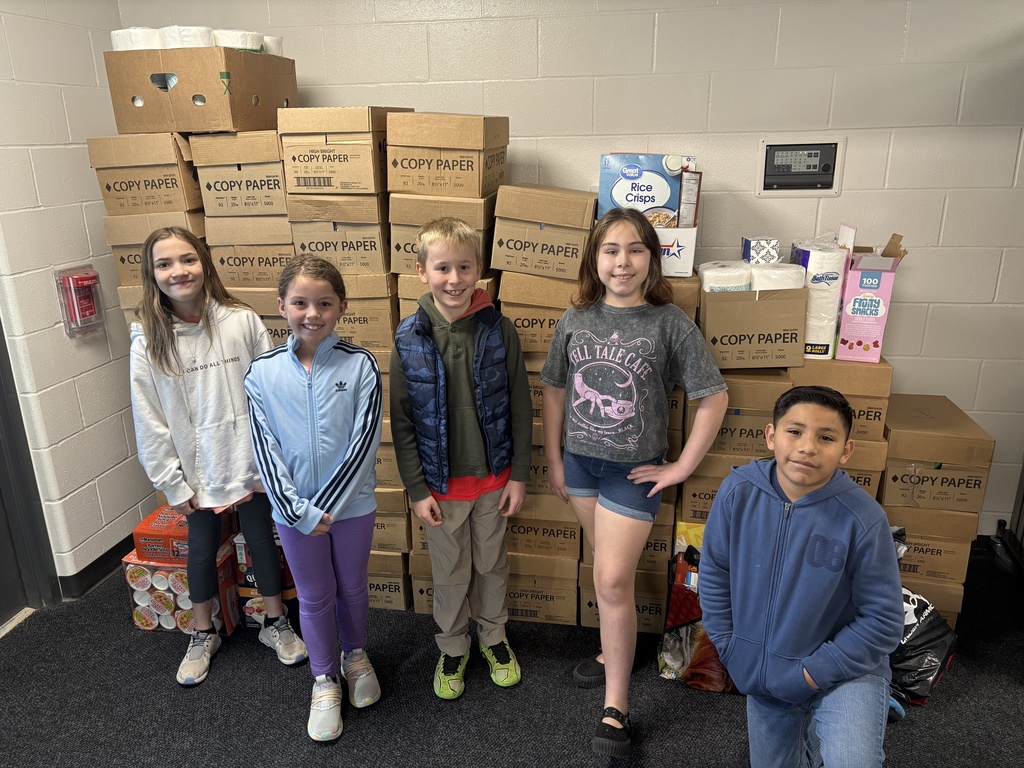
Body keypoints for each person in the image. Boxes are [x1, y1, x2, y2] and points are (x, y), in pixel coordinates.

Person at [541, 207, 729, 758]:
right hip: (581, 465)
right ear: (594, 260)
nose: (622, 262)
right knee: (607, 574)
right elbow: (554, 389)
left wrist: (681, 467)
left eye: (635, 249)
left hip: (633, 472)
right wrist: (554, 458)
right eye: (610, 250)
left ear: (652, 257)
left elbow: (712, 395)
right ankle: (611, 649)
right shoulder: (575, 318)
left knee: (612, 580)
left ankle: (616, 707)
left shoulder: (671, 323)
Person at [129, 227, 307, 686]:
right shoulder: (148, 339)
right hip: (197, 470)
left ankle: (276, 623)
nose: (178, 271)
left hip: (251, 461)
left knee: (262, 539)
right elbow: (149, 418)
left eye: (187, 259)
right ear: (152, 275)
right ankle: (202, 632)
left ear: (204, 262)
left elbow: (270, 390)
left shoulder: (239, 320)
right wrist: (172, 481)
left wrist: (275, 459)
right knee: (202, 548)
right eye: (164, 264)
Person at [699, 385, 905, 768]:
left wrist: (811, 674)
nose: (808, 446)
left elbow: (884, 621)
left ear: (846, 450)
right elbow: (714, 575)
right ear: (771, 435)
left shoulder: (863, 517)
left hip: (847, 670)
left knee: (853, 762)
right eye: (795, 431)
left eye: (826, 437)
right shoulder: (737, 492)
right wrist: (731, 647)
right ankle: (813, 733)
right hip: (766, 677)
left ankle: (862, 709)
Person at [390, 217, 532, 701]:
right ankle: (453, 646)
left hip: (493, 482)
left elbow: (520, 406)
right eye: (443, 268)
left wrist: (518, 477)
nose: (455, 279)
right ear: (421, 271)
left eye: (464, 267)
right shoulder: (409, 338)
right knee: (451, 573)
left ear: (479, 271)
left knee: (491, 565)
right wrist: (415, 488)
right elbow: (402, 420)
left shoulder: (498, 329)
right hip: (440, 488)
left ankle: (493, 638)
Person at [244, 256, 383, 742]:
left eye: (324, 303)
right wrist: (300, 512)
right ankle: (324, 678)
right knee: (314, 595)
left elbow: (363, 444)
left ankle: (356, 656)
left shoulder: (361, 365)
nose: (312, 313)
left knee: (352, 586)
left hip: (352, 509)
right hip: (294, 515)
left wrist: (327, 506)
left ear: (341, 307)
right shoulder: (261, 373)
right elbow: (265, 448)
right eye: (300, 303)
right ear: (281, 306)